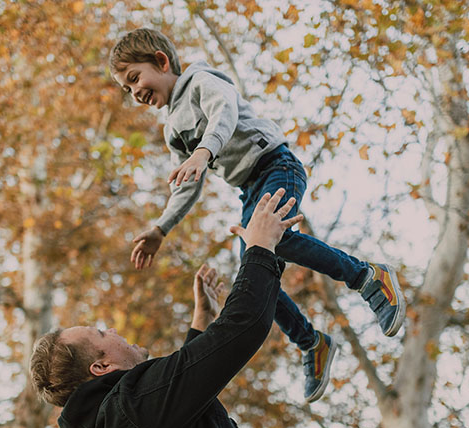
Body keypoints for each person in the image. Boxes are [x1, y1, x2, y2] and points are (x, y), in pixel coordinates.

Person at [109, 28, 405, 402]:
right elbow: (186, 185)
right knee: (254, 271)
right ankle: (311, 342)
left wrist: (204, 151)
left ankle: (367, 276)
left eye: (134, 78)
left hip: (276, 166)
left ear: (161, 61)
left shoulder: (201, 81)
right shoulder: (172, 129)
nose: (134, 92)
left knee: (271, 242)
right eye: (126, 88)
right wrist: (160, 228)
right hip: (250, 190)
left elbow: (225, 111)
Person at [30, 190, 301, 428]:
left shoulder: (118, 423)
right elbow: (241, 329)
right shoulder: (132, 406)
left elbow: (180, 401)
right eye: (100, 333)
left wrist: (201, 323)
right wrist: (260, 249)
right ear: (101, 366)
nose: (111, 329)